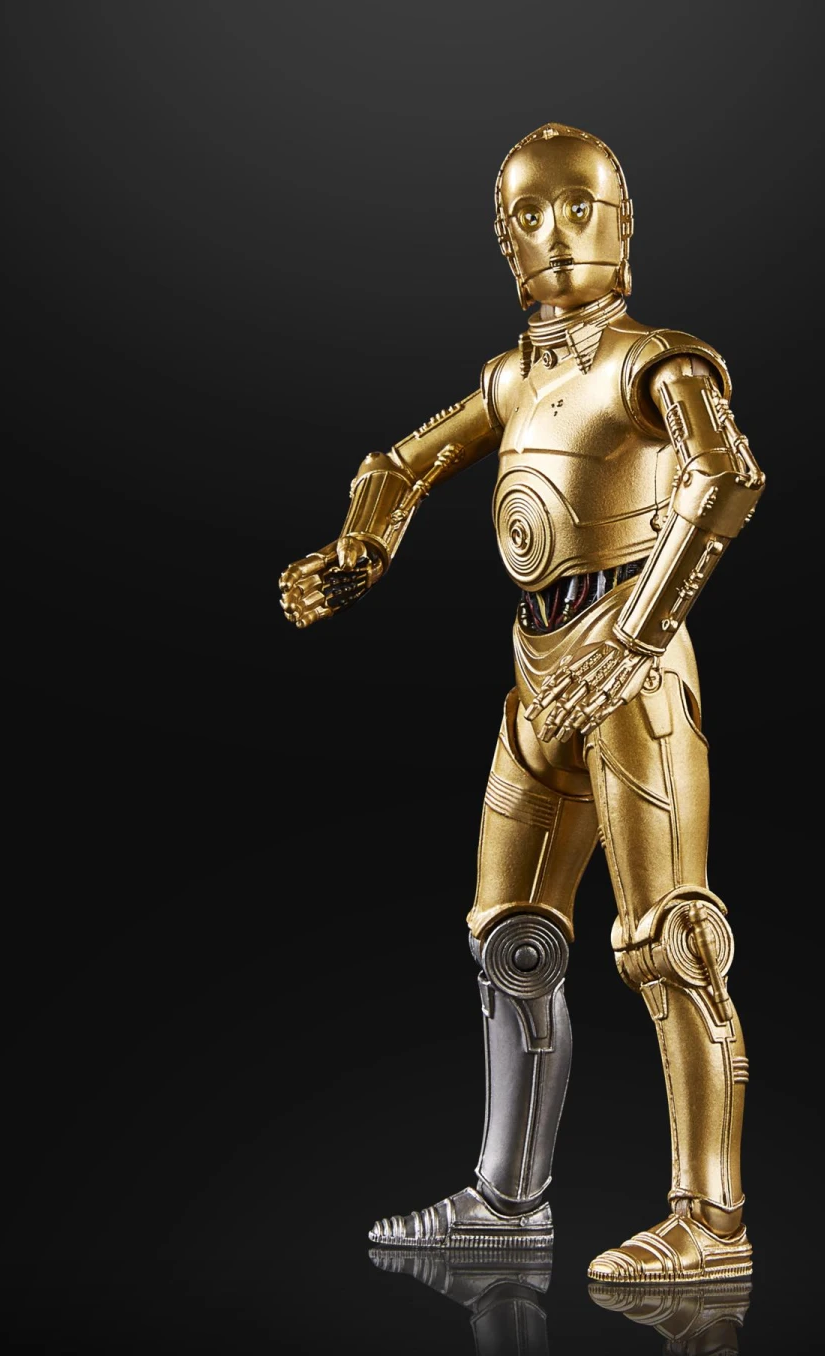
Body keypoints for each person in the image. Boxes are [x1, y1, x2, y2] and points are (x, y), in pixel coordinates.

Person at [280, 123, 765, 1283]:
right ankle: (510, 1200)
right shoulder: (514, 377)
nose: (554, 234)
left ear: (623, 223)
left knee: (671, 943)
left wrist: (638, 633)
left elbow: (725, 477)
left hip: (633, 673)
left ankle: (711, 1220)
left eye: (577, 206)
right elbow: (402, 463)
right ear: (504, 240)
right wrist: (360, 548)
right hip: (540, 669)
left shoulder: (657, 363)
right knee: (513, 941)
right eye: (528, 215)